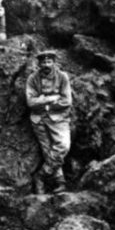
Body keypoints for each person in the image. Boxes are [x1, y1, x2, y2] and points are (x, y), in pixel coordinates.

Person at [25, 50, 72, 194]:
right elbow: (30, 102)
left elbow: (66, 101)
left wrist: (45, 102)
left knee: (63, 146)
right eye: (43, 62)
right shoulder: (33, 78)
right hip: (38, 119)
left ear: (54, 63)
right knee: (48, 151)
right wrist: (50, 98)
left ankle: (41, 175)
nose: (46, 65)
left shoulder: (62, 77)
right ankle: (60, 182)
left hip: (58, 118)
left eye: (49, 62)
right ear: (39, 64)